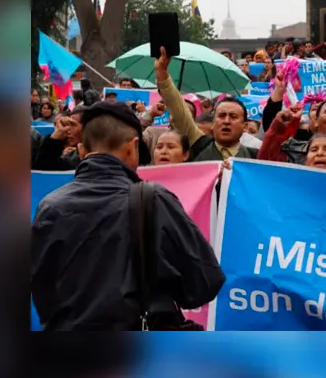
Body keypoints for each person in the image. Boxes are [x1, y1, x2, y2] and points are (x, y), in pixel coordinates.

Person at [31, 102, 223, 330]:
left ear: (81, 151)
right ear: (133, 148)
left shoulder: (49, 206)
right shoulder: (154, 199)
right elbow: (203, 284)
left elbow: (41, 291)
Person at [154, 47, 259, 162]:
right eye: (221, 116)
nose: (226, 121)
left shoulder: (255, 157)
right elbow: (179, 112)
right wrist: (162, 74)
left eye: (233, 117)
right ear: (213, 124)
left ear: (245, 126)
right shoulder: (199, 145)